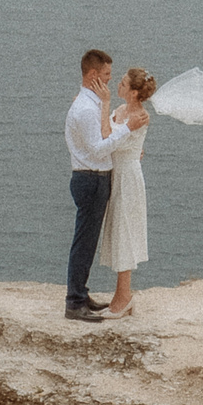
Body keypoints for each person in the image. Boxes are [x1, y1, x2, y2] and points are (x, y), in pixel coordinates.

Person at [63, 49, 135, 322]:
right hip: (91, 178)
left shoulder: (90, 104)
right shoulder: (84, 109)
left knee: (87, 241)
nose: (109, 79)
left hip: (93, 178)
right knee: (84, 242)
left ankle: (80, 294)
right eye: (106, 74)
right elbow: (98, 148)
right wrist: (128, 132)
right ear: (93, 75)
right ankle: (74, 302)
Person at [96, 66, 154, 315]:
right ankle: (121, 296)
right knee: (118, 231)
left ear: (132, 92)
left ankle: (124, 297)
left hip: (128, 179)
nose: (117, 84)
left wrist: (104, 103)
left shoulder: (139, 117)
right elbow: (107, 135)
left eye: (122, 82)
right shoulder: (123, 111)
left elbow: (109, 138)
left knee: (125, 232)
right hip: (117, 174)